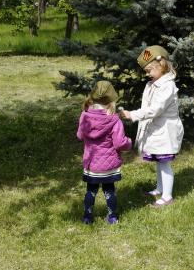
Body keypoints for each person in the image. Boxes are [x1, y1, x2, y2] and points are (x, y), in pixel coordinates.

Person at [120, 45, 184, 207]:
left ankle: (167, 197)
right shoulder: (153, 83)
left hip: (165, 131)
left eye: (149, 70)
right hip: (157, 130)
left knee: (165, 163)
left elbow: (155, 109)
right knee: (159, 161)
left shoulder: (167, 86)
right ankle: (159, 189)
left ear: (161, 65)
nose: (147, 74)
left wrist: (133, 115)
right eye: (146, 71)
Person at [77, 81, 132, 225]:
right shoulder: (114, 120)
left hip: (92, 164)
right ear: (112, 100)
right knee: (109, 190)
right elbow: (120, 143)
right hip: (109, 165)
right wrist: (129, 143)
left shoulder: (85, 116)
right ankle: (112, 217)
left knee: (91, 191)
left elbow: (80, 136)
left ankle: (87, 217)